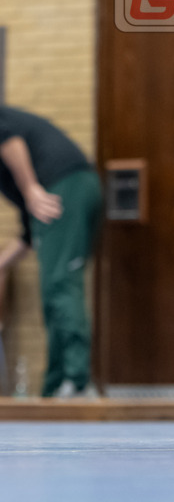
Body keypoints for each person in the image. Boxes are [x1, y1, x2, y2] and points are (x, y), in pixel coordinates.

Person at [0, 105, 103, 398]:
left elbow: (9, 140)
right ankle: (55, 386)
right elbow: (28, 235)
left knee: (61, 283)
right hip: (64, 188)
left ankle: (77, 381)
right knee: (52, 289)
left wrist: (31, 189)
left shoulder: (8, 135)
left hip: (65, 186)